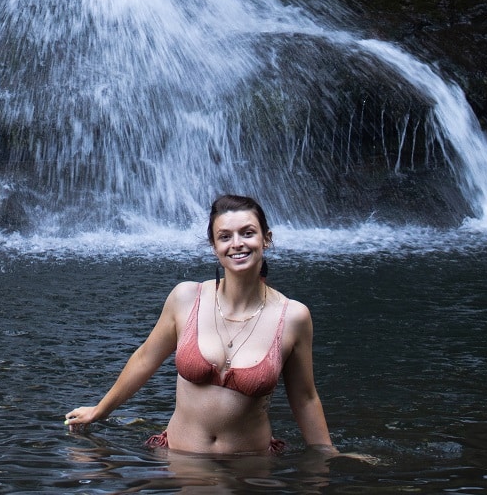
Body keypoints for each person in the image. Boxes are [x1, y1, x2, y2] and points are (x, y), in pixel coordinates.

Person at [64, 194, 336, 455]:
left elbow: (305, 398)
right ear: (214, 246)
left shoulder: (293, 317)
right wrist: (100, 410)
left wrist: (327, 454)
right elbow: (145, 359)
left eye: (248, 233)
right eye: (225, 237)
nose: (237, 243)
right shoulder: (186, 298)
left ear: (266, 239)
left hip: (249, 467)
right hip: (180, 459)